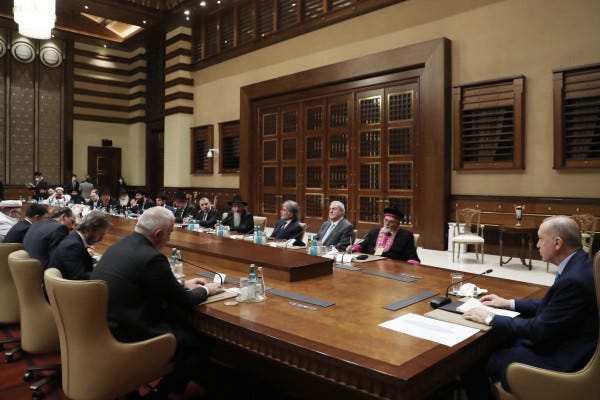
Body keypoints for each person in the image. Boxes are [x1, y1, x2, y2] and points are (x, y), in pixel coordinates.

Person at [90, 206, 224, 398]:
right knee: (199, 341)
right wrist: (206, 290)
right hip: (130, 334)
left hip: (106, 326)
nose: (169, 239)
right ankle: (164, 393)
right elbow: (184, 301)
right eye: (169, 233)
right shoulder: (152, 257)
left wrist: (183, 284)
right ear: (158, 233)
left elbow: (145, 280)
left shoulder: (121, 244)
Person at [461, 215, 598, 399]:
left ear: (557, 243)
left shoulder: (574, 279)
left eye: (540, 239)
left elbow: (538, 330)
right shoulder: (580, 264)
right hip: (566, 341)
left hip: (562, 358)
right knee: (501, 340)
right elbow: (553, 303)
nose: (537, 245)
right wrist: (509, 303)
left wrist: (489, 317)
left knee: (471, 363)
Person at [49, 211, 111, 280]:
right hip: (63, 286)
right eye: (100, 234)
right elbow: (78, 277)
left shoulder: (76, 238)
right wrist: (105, 276)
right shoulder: (73, 245)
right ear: (87, 229)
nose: (101, 239)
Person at [347, 206, 420, 263]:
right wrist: (353, 248)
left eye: (391, 222)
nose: (387, 224)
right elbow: (363, 245)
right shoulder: (374, 232)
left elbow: (412, 257)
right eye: (386, 220)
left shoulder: (406, 236)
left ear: (398, 224)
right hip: (371, 265)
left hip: (393, 269)